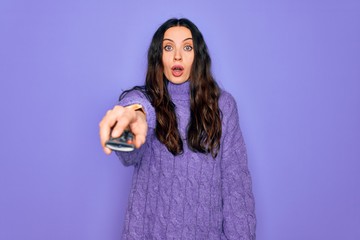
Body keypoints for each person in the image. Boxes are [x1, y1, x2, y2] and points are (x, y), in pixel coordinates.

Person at [99, 18, 256, 239]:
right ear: (158, 57)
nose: (177, 56)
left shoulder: (223, 106)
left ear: (198, 56)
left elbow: (236, 190)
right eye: (168, 47)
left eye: (187, 47)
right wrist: (132, 118)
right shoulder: (144, 101)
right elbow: (129, 147)